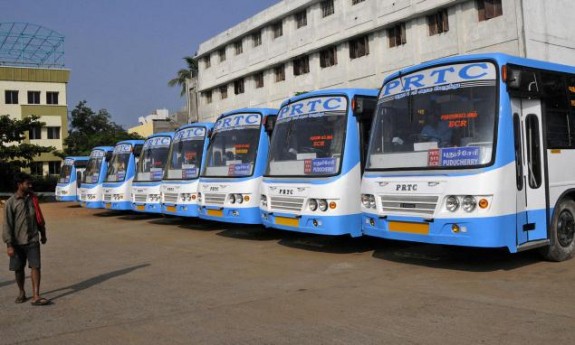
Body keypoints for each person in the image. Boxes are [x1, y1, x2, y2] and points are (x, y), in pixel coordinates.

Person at [2, 172, 51, 306]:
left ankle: (36, 295)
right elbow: (7, 224)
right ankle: (22, 292)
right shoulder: (11, 203)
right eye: (27, 183)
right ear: (19, 185)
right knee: (19, 269)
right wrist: (9, 245)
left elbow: (39, 218)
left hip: (33, 240)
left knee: (36, 266)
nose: (30, 185)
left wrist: (43, 234)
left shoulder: (33, 199)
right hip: (17, 242)